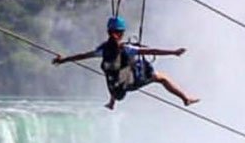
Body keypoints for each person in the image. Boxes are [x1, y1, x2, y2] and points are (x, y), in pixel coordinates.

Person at [52, 15, 200, 110]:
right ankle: (185, 99)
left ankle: (111, 103)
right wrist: (173, 52)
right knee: (162, 78)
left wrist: (63, 60)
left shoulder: (102, 50)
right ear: (122, 33)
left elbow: (82, 56)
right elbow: (152, 51)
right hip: (131, 83)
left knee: (113, 72)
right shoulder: (127, 49)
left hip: (116, 90)